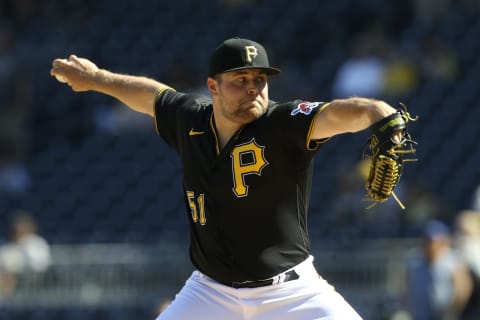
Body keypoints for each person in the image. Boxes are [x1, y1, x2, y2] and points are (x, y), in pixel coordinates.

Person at [50, 37, 406, 320]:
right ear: (213, 87)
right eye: (240, 80)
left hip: (292, 293)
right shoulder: (190, 120)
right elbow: (149, 95)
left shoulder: (284, 123)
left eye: (260, 80)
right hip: (210, 292)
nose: (254, 89)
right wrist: (96, 79)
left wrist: (377, 111)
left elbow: (340, 113)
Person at [404, 219, 472, 320]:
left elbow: (463, 288)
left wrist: (453, 310)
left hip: (445, 315)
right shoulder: (414, 260)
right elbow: (406, 286)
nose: (432, 246)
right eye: (429, 241)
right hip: (420, 314)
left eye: (435, 242)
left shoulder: (452, 260)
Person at [0, 210, 51, 297]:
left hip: (33, 277)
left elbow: (40, 264)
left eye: (21, 229)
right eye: (15, 230)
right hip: (10, 277)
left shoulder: (36, 242)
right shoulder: (9, 246)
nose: (18, 232)